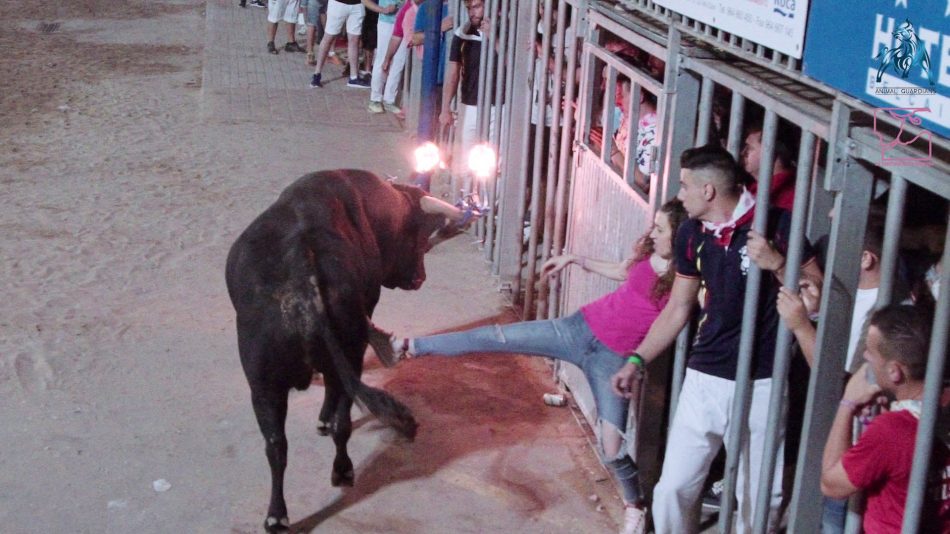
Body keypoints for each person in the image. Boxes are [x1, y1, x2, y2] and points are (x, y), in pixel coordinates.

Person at [391, 199, 689, 534]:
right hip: (579, 328)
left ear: (680, 237)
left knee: (612, 447)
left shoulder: (684, 279)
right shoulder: (652, 254)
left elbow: (675, 319)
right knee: (499, 337)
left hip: (614, 360)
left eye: (661, 229)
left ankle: (635, 504)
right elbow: (622, 271)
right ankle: (409, 346)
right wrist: (576, 259)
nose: (653, 233)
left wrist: (636, 362)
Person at [611, 144, 822, 533]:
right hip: (704, 375)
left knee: (760, 500)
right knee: (672, 488)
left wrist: (777, 265)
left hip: (764, 380)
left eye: (684, 186)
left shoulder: (778, 225)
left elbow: (816, 294)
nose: (679, 195)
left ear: (708, 191)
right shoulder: (690, 233)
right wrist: (637, 359)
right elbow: (679, 308)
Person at [820, 304, 949, 533]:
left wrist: (847, 403)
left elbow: (831, 484)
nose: (865, 356)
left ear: (894, 372)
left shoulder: (891, 431)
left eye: (871, 352)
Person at [440, 0, 493, 194]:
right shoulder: (462, 34)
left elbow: (513, 65)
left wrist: (493, 37)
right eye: (469, 8)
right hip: (469, 103)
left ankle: (489, 209)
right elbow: (453, 72)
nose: (473, 12)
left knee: (493, 161)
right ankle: (465, 203)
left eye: (477, 6)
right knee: (465, 158)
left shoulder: (506, 32)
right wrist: (445, 108)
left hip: (500, 106)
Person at [309, 0, 371, 88]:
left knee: (354, 40)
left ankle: (354, 77)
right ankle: (317, 74)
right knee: (328, 37)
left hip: (358, 4)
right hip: (338, 4)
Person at [365, 0, 403, 113]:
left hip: (404, 22)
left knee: (399, 61)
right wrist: (383, 10)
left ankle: (389, 100)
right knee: (382, 59)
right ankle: (375, 99)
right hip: (387, 22)